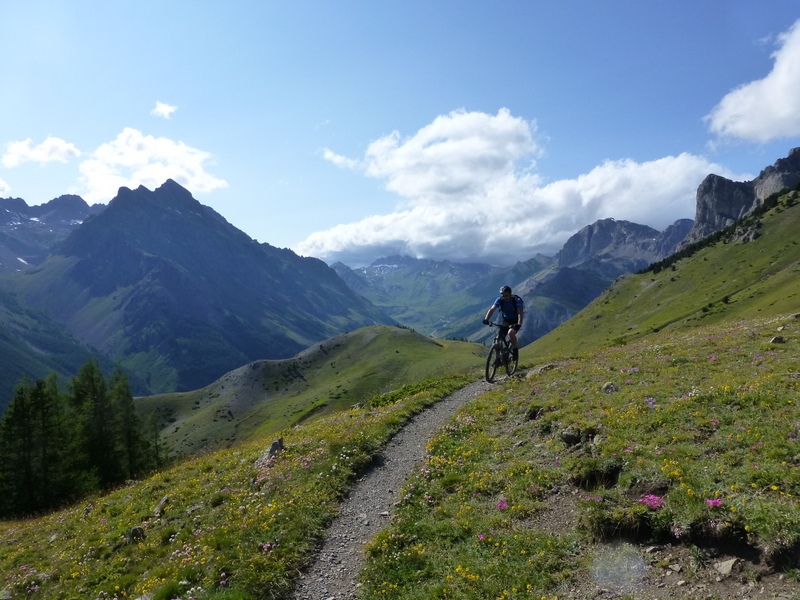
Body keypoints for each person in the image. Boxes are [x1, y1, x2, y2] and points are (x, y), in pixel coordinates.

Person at [483, 285, 524, 359]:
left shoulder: (516, 300)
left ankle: (515, 350)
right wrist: (486, 319)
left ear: (510, 293)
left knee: (510, 333)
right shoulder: (500, 300)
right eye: (503, 295)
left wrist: (519, 323)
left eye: (506, 295)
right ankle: (498, 357)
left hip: (515, 320)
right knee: (498, 338)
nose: (505, 297)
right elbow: (492, 309)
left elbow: (520, 312)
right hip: (506, 321)